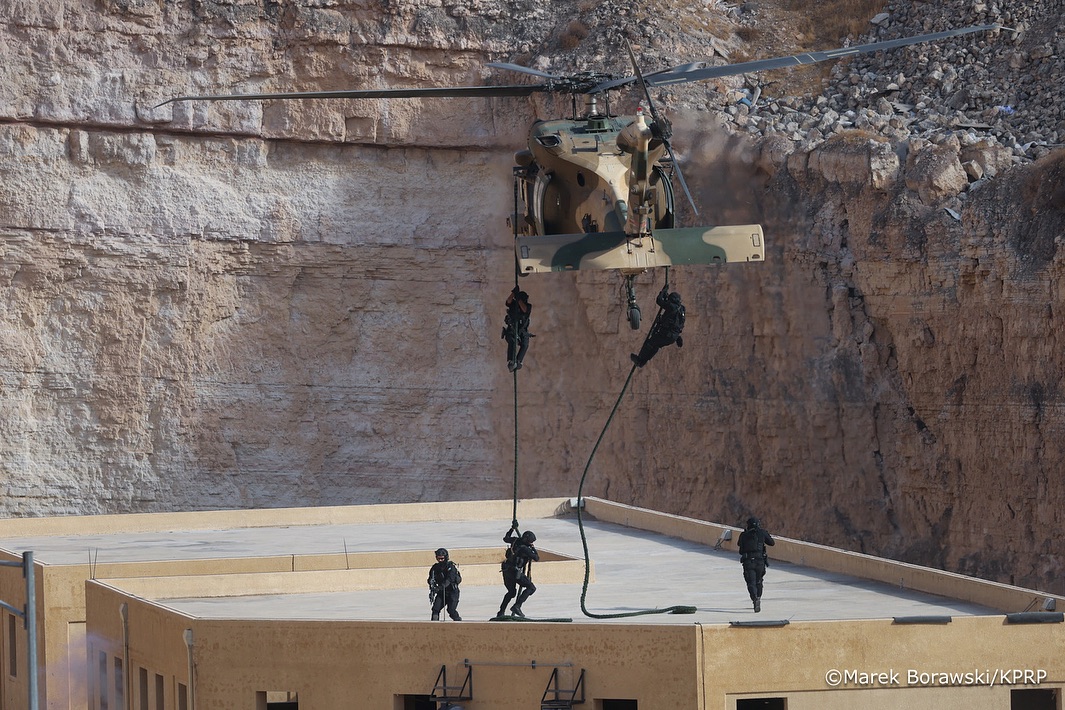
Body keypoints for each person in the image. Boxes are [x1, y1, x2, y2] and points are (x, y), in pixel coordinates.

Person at [630, 286, 685, 367]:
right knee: (656, 345)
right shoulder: (682, 309)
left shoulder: (672, 307)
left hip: (666, 335)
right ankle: (642, 362)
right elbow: (678, 323)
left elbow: (659, 300)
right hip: (673, 336)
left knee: (650, 343)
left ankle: (640, 361)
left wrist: (663, 291)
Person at [496, 525, 539, 617]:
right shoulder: (525, 548)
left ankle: (501, 612)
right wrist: (533, 548)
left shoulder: (515, 540)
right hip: (514, 572)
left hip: (506, 569)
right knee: (531, 588)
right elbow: (536, 558)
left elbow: (506, 538)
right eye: (530, 542)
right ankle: (517, 606)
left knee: (511, 592)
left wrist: (512, 529)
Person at [737, 517, 775, 612]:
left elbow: (739, 546)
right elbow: (771, 543)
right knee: (759, 581)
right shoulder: (762, 533)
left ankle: (755, 599)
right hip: (760, 562)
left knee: (751, 583)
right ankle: (758, 597)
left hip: (748, 561)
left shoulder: (744, 535)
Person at [427, 547, 462, 621]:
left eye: (442, 558)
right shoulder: (435, 567)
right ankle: (434, 627)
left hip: (452, 592)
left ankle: (459, 623)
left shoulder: (451, 567)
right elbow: (430, 578)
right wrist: (431, 583)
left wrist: (440, 587)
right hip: (441, 593)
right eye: (438, 558)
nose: (440, 560)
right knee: (435, 609)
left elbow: (449, 580)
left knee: (451, 610)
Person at [503, 286, 531, 372]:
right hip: (512, 328)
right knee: (512, 341)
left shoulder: (528, 306)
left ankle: (519, 361)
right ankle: (511, 361)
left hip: (522, 330)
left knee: (525, 344)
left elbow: (525, 310)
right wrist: (513, 293)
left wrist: (518, 299)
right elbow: (508, 302)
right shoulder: (513, 304)